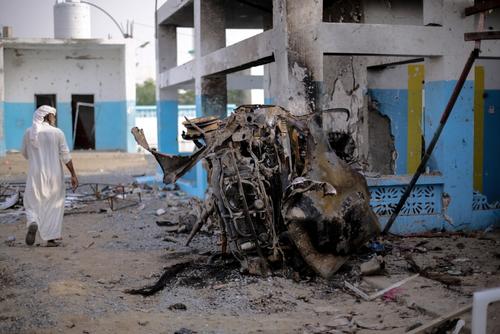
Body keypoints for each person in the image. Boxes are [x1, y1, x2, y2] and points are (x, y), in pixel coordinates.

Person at [21, 105, 78, 247]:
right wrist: (73, 174)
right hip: (54, 177)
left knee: (31, 202)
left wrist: (37, 157)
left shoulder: (29, 132)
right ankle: (51, 238)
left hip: (35, 175)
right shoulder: (57, 133)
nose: (55, 119)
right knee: (54, 205)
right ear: (49, 116)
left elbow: (24, 153)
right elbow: (66, 156)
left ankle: (33, 221)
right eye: (54, 116)